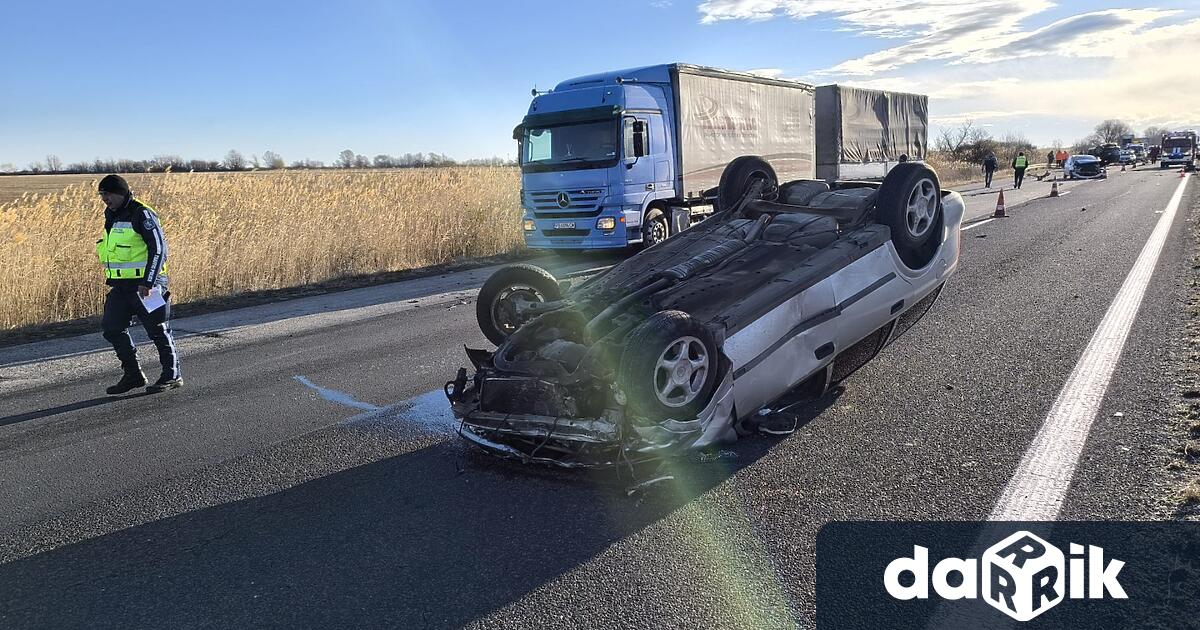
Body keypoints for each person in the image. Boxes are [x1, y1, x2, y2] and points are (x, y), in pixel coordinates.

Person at [95, 174, 182, 394]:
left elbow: (159, 249)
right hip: (122, 285)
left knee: (158, 328)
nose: (104, 199)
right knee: (112, 327)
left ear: (120, 192)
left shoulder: (141, 213)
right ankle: (133, 375)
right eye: (102, 195)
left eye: (107, 194)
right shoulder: (112, 215)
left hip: (147, 284)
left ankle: (172, 375)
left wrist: (148, 281)